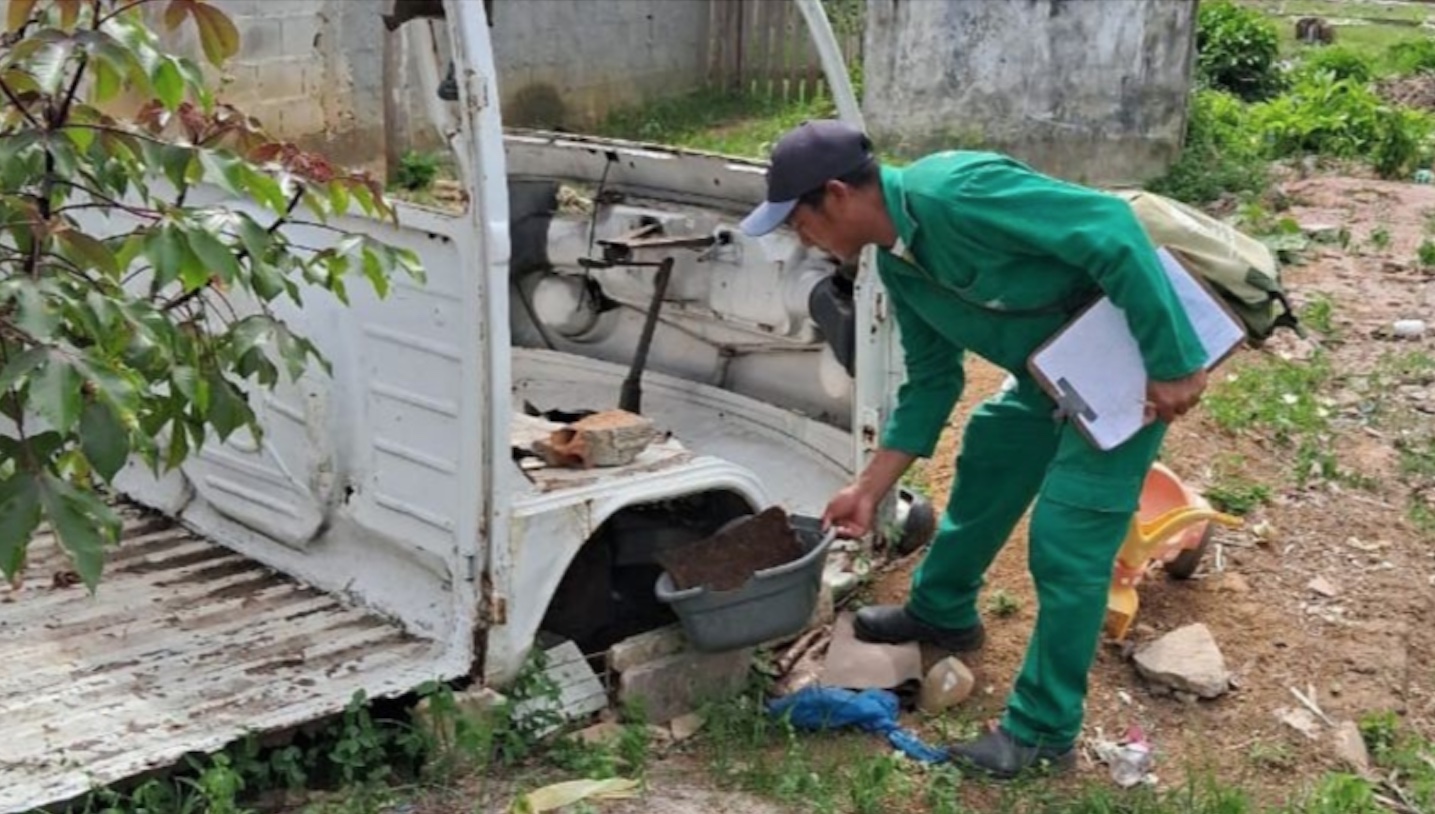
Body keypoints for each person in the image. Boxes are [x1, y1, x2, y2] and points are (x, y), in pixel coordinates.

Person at [738, 120, 1209, 779]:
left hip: (1127, 365)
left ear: (837, 195)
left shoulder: (954, 191)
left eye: (798, 222)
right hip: (1055, 373)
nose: (799, 238)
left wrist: (1170, 359)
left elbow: (1108, 227)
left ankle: (1043, 733)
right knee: (990, 448)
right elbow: (933, 383)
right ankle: (942, 612)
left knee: (1066, 538)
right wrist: (871, 489)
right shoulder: (898, 266)